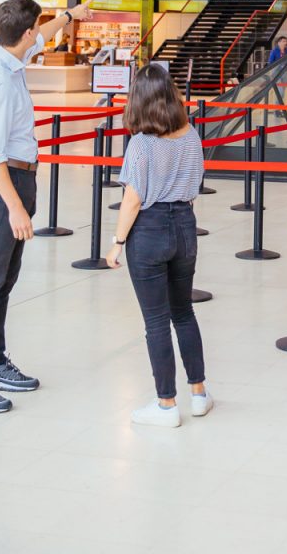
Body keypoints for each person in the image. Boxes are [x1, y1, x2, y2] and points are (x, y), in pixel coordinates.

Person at [0, 0, 92, 414]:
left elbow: (44, 34)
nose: (40, 34)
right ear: (24, 34)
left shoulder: (7, 52)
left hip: (20, 177)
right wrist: (13, 207)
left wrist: (69, 16)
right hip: (4, 184)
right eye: (37, 29)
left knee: (4, 281)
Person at [106, 64, 212, 428]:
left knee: (155, 322)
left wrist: (117, 242)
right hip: (184, 225)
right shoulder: (192, 136)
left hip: (148, 232)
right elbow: (195, 186)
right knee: (183, 312)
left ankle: (166, 404)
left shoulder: (141, 143)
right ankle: (198, 393)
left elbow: (132, 199)